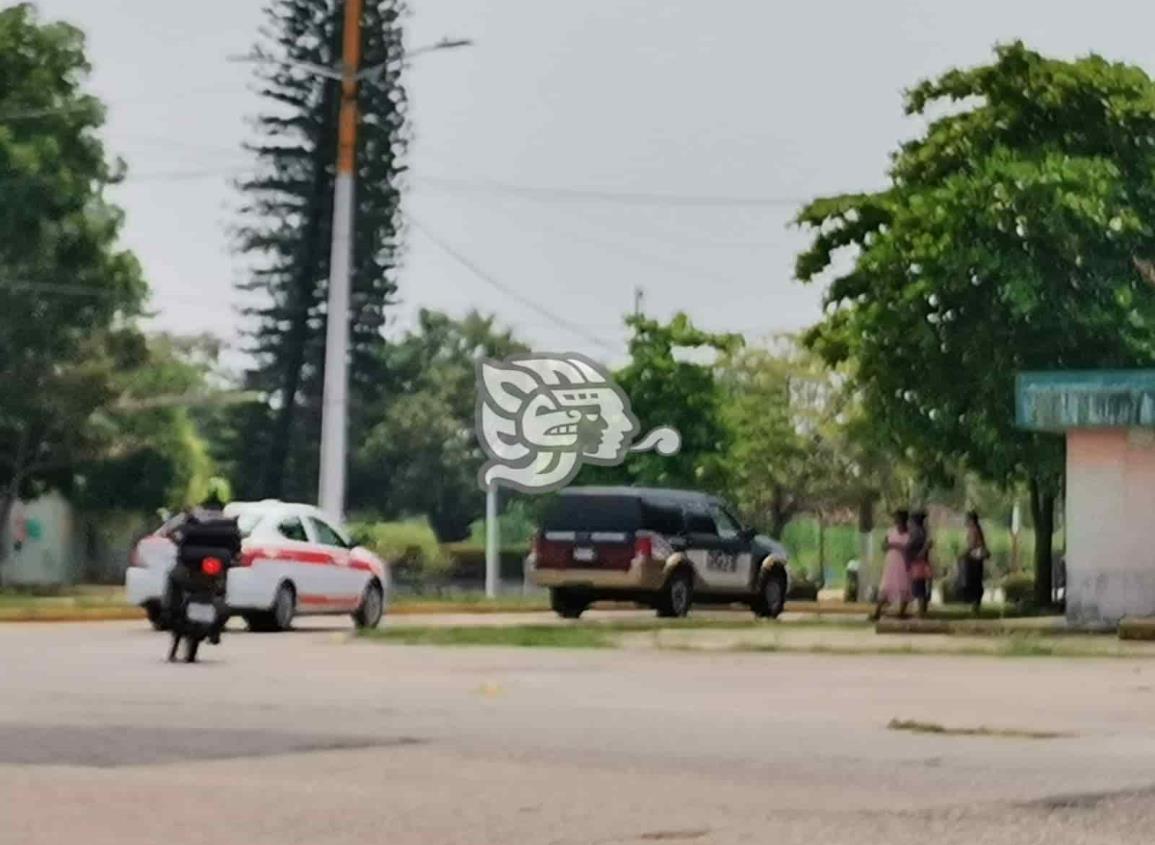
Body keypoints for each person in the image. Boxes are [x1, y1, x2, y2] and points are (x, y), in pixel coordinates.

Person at [871, 510, 911, 621]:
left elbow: (908, 549)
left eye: (898, 519)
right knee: (886, 586)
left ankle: (901, 612)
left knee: (904, 585)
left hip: (903, 562)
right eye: (896, 519)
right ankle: (877, 612)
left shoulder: (909, 534)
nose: (897, 521)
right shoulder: (890, 532)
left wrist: (895, 545)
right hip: (891, 562)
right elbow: (884, 546)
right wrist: (892, 545)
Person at [962, 510, 990, 616]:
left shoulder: (974, 530)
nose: (965, 521)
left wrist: (963, 553)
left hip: (974, 558)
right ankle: (975, 605)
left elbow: (972, 545)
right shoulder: (976, 529)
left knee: (974, 581)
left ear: (971, 520)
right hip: (976, 558)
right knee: (976, 581)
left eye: (967, 519)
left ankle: (975, 606)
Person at [909, 511, 933, 617]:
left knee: (919, 589)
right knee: (921, 588)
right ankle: (922, 611)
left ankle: (920, 612)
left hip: (918, 563)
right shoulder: (922, 532)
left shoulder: (917, 533)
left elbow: (916, 550)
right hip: (922, 563)